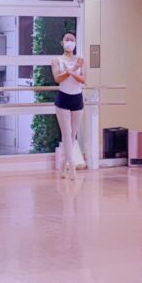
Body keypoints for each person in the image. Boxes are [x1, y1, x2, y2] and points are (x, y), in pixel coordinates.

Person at [52, 32, 86, 180]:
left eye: (72, 39)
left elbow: (83, 80)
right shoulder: (56, 60)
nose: (69, 41)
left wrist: (71, 71)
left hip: (77, 98)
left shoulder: (80, 61)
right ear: (62, 42)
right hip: (63, 99)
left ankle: (63, 164)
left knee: (72, 135)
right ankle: (71, 166)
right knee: (66, 132)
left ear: (75, 43)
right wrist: (68, 72)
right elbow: (57, 78)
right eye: (67, 39)